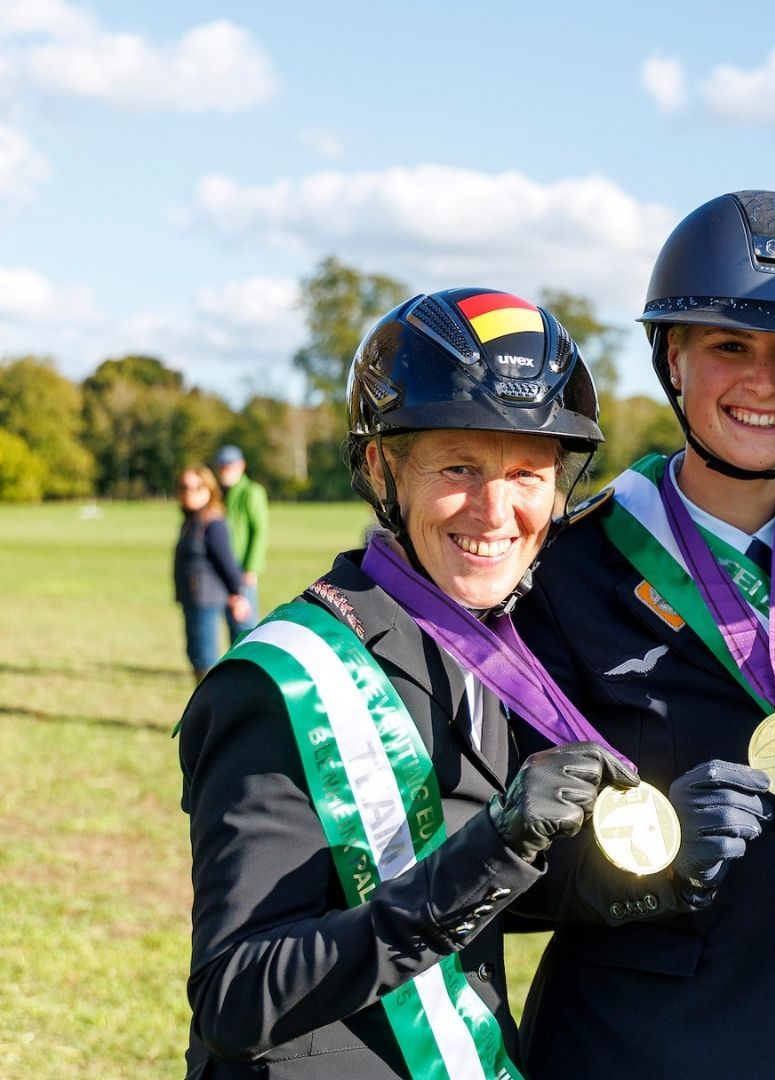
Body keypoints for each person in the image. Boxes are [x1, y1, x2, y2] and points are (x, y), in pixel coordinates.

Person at [178, 288, 640, 1078]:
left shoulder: (486, 647)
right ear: (378, 466)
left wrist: (649, 873)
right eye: (459, 466)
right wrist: (491, 849)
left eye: (529, 473)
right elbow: (234, 996)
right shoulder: (283, 680)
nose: (498, 511)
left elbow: (454, 886)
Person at [511, 190, 775, 1078]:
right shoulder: (565, 568)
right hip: (639, 1043)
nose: (764, 382)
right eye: (729, 346)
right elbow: (502, 860)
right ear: (673, 358)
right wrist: (643, 858)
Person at [174, 463, 250, 679]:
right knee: (196, 655)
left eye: (197, 487)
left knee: (204, 658)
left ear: (209, 489)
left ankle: (207, 711)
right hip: (193, 598)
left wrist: (237, 594)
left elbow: (226, 561)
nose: (189, 492)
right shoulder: (191, 520)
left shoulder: (212, 522)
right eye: (184, 487)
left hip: (206, 598)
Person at [214, 443, 268, 640]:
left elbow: (260, 531)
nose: (225, 470)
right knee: (228, 620)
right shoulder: (218, 493)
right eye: (222, 466)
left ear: (241, 465)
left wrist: (251, 568)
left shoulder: (251, 491)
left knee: (244, 622)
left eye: (230, 465)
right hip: (222, 565)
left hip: (242, 568)